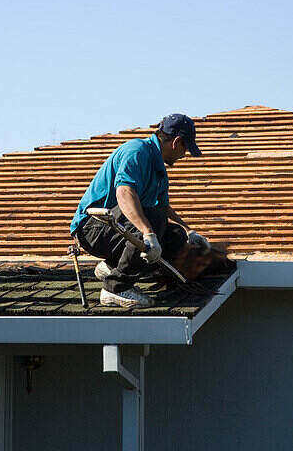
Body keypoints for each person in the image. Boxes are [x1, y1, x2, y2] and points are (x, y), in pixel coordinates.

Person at [70, 114, 212, 308]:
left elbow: (163, 208)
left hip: (113, 228)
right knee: (152, 220)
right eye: (185, 148)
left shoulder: (159, 170)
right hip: (92, 228)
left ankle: (112, 267)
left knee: (175, 236)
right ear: (176, 142)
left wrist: (188, 231)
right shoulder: (137, 151)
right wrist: (148, 233)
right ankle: (116, 288)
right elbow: (125, 193)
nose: (184, 154)